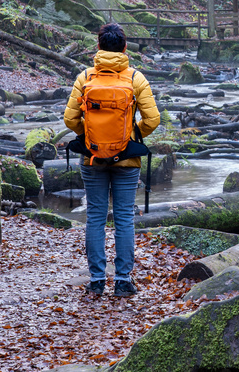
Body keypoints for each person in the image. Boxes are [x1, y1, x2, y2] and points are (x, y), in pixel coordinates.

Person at [64, 23, 160, 297]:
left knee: (95, 217)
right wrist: (131, 136)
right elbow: (153, 119)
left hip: (92, 158)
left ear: (98, 47)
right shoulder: (135, 78)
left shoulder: (85, 77)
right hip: (127, 160)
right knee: (124, 218)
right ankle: (122, 281)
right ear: (125, 48)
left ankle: (97, 280)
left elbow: (70, 119)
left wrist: (89, 136)